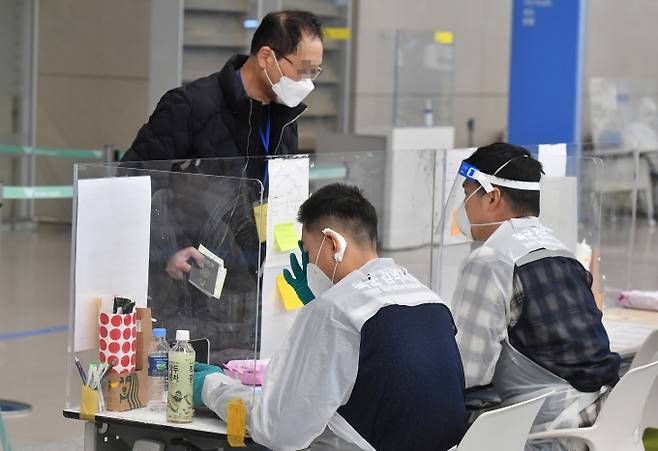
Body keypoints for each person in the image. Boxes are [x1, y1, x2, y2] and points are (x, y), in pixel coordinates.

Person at [194, 183, 467, 451]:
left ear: (334, 243)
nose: (308, 262)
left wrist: (211, 387)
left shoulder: (335, 310)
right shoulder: (428, 298)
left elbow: (279, 430)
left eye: (308, 251)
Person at [446, 143, 621, 451]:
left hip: (547, 436)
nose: (463, 208)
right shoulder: (561, 251)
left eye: (466, 195)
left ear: (492, 197)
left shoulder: (490, 260)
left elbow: (467, 370)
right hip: (604, 424)